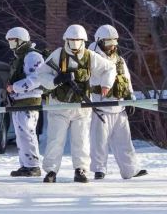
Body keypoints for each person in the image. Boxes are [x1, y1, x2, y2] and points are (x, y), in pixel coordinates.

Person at [36, 24, 116, 183]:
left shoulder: (89, 56)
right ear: (66, 39)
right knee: (55, 140)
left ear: (83, 40)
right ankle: (51, 170)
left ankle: (81, 169)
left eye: (78, 40)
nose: (74, 43)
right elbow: (41, 74)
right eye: (71, 40)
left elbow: (110, 68)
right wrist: (55, 80)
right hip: (59, 105)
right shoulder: (58, 54)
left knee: (81, 141)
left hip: (81, 108)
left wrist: (106, 85)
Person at [88, 25, 147, 180]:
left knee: (124, 141)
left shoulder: (119, 60)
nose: (112, 46)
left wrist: (130, 98)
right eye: (108, 42)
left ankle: (130, 170)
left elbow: (126, 80)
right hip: (100, 107)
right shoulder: (92, 59)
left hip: (119, 106)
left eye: (114, 42)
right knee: (99, 142)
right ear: (100, 42)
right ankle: (99, 169)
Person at [4, 27, 46, 177]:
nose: (10, 43)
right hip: (19, 101)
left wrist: (15, 88)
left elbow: (36, 78)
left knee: (27, 133)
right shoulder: (20, 57)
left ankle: (33, 165)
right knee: (20, 135)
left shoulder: (33, 56)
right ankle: (26, 165)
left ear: (20, 40)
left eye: (12, 40)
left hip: (29, 101)